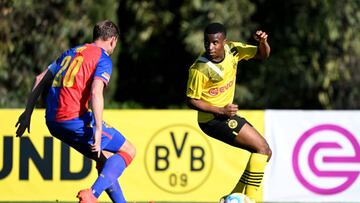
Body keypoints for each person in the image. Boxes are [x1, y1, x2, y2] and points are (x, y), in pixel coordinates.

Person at [15, 20, 136, 203]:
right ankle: (92, 195)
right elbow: (96, 91)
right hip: (73, 119)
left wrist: (27, 113)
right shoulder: (102, 58)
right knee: (128, 150)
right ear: (113, 40)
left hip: (53, 122)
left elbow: (40, 78)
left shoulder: (71, 52)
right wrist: (97, 129)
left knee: (105, 161)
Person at [186, 22, 272, 203]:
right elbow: (192, 100)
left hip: (224, 115)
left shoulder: (234, 50)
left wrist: (263, 42)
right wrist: (220, 110)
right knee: (262, 149)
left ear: (224, 42)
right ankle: (250, 200)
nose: (210, 47)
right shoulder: (199, 68)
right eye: (207, 43)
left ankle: (232, 199)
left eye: (215, 43)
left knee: (264, 153)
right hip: (212, 120)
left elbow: (262, 54)